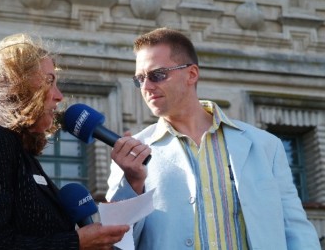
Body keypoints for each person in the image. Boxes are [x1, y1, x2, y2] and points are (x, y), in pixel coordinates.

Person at [106, 27, 320, 249]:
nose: (146, 87)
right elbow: (116, 242)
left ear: (192, 74)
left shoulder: (265, 145)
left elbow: (296, 230)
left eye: (157, 75)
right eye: (139, 79)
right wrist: (132, 183)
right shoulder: (132, 154)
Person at [0, 33, 129, 250]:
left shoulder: (21, 153)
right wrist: (77, 241)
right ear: (16, 85)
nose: (59, 96)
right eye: (49, 81)